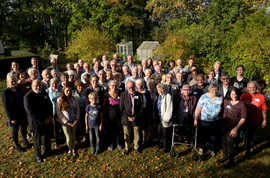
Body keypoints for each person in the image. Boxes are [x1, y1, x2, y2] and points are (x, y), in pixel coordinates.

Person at [24, 79, 53, 162]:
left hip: (47, 119)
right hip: (37, 122)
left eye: (39, 85)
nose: (38, 87)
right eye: (36, 85)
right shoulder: (28, 97)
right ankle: (38, 155)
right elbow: (30, 112)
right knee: (37, 140)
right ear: (31, 86)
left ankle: (47, 151)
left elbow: (49, 104)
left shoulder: (43, 92)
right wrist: (43, 120)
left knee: (47, 137)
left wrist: (50, 116)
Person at [219, 87, 247, 168]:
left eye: (235, 94)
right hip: (224, 125)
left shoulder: (242, 104)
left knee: (229, 143)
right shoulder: (226, 101)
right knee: (223, 142)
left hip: (234, 127)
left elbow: (243, 118)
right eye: (232, 94)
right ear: (229, 94)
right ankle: (225, 156)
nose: (234, 96)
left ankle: (231, 161)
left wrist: (236, 128)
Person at [2, 76, 30, 153]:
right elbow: (6, 107)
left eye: (15, 81)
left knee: (24, 127)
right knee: (15, 129)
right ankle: (17, 145)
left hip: (22, 112)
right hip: (14, 115)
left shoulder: (18, 89)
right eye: (11, 81)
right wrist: (11, 118)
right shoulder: (5, 93)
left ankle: (25, 140)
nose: (13, 82)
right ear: (8, 82)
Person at [240, 81, 268, 160]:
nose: (252, 89)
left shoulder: (261, 97)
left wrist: (264, 120)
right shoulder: (244, 96)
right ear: (247, 88)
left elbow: (264, 110)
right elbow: (239, 107)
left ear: (256, 88)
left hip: (255, 121)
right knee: (245, 134)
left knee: (251, 137)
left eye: (254, 87)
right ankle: (245, 144)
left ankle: (248, 153)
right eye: (250, 87)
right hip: (244, 120)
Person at [194, 83, 223, 157]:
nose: (214, 91)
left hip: (216, 121)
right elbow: (198, 108)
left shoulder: (221, 97)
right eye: (212, 89)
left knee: (213, 136)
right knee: (203, 135)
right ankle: (202, 147)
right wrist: (195, 119)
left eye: (216, 89)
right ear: (209, 89)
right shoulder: (204, 97)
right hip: (204, 120)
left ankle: (212, 149)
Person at [120, 80, 143, 155]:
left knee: (137, 134)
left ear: (135, 86)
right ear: (127, 87)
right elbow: (121, 108)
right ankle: (127, 148)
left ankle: (136, 147)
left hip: (136, 118)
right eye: (129, 88)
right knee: (126, 134)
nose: (131, 89)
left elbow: (141, 108)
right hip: (126, 119)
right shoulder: (123, 95)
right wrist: (127, 117)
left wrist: (135, 116)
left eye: (132, 87)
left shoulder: (140, 95)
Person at [56, 84, 80, 156]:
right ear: (63, 91)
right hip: (65, 121)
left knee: (73, 135)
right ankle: (69, 148)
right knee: (68, 137)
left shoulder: (74, 98)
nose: (68, 92)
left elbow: (77, 109)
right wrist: (66, 122)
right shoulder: (59, 99)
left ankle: (73, 148)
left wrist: (77, 119)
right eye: (67, 90)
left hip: (74, 120)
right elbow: (59, 112)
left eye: (70, 90)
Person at [103, 80, 122, 151]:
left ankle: (118, 142)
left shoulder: (120, 93)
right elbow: (104, 107)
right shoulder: (106, 95)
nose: (114, 87)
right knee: (110, 130)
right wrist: (105, 117)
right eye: (112, 85)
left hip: (119, 116)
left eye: (115, 85)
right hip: (109, 116)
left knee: (118, 129)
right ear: (109, 86)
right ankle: (111, 143)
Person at [155, 83, 173, 153]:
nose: (160, 91)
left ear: (164, 89)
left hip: (164, 118)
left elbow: (169, 108)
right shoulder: (158, 96)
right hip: (158, 117)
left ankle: (166, 147)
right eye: (159, 89)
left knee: (165, 133)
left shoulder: (168, 96)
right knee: (159, 132)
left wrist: (167, 119)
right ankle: (161, 144)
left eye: (161, 89)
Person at [46, 78, 62, 148]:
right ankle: (57, 141)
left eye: (56, 83)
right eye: (52, 83)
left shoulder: (61, 90)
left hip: (61, 112)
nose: (54, 85)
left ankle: (63, 139)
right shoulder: (47, 91)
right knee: (55, 127)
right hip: (52, 113)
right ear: (50, 84)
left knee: (62, 127)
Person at [136, 79, 152, 144]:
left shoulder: (147, 92)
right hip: (137, 112)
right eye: (138, 84)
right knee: (138, 127)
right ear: (136, 85)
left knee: (144, 126)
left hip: (145, 111)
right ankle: (138, 140)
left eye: (141, 84)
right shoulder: (135, 92)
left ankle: (144, 139)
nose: (140, 86)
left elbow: (149, 103)